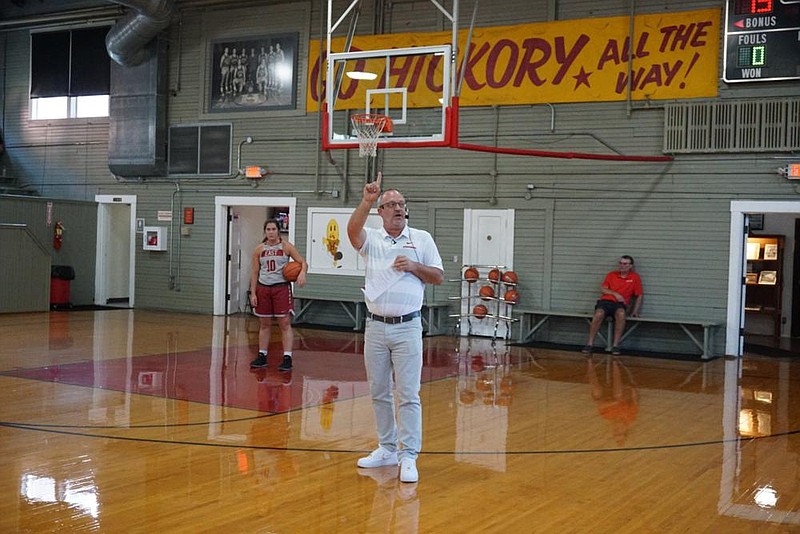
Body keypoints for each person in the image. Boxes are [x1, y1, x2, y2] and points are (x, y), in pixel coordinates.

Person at [347, 172, 443, 483]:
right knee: (378, 390)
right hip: (375, 327)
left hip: (407, 327)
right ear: (381, 212)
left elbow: (438, 276)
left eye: (401, 204)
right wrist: (366, 200)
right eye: (391, 204)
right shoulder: (372, 239)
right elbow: (351, 232)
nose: (398, 208)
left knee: (408, 393)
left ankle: (409, 455)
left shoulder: (421, 239)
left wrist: (415, 266)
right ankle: (387, 448)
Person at [249, 219, 307, 371]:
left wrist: (302, 273)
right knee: (264, 323)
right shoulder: (258, 250)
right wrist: (253, 292)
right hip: (263, 288)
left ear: (278, 231)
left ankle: (287, 357)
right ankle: (262, 355)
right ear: (265, 231)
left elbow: (303, 262)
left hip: (281, 288)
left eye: (273, 229)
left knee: (285, 323)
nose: (271, 232)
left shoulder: (286, 246)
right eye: (268, 229)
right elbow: (254, 272)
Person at [582, 255, 643, 355]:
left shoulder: (635, 277)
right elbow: (603, 289)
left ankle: (615, 345)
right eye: (621, 263)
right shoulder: (611, 275)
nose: (622, 266)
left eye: (625, 264)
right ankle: (589, 344)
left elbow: (639, 295)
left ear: (630, 266)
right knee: (598, 314)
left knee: (621, 314)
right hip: (606, 302)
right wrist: (615, 294)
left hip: (620, 304)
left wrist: (635, 311)